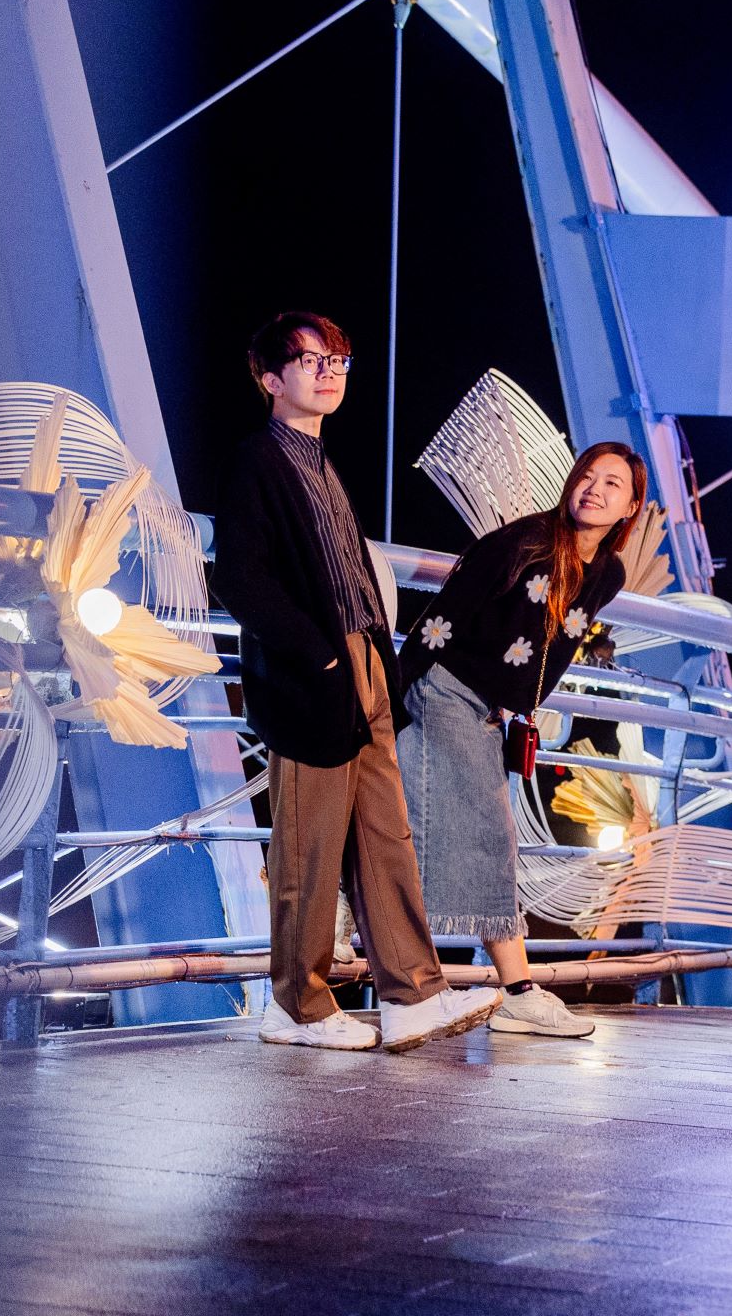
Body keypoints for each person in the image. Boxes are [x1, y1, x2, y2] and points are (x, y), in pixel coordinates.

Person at [211, 312, 501, 1052]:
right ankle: (297, 1006)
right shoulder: (258, 460)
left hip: (366, 665)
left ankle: (413, 994)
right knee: (308, 845)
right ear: (271, 379)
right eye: (312, 360)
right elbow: (239, 577)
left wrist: (371, 659)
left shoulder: (321, 462)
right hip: (315, 674)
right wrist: (318, 655)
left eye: (338, 359)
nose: (330, 372)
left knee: (385, 835)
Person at [397, 443, 648, 1038]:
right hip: (445, 690)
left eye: (612, 484)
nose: (594, 489)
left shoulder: (606, 573)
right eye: (587, 476)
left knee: (449, 831)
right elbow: (442, 618)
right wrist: (393, 696)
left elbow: (561, 643)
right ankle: (514, 991)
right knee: (486, 835)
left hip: (489, 711)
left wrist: (519, 708)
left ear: (630, 507)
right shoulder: (524, 543)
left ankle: (376, 939)